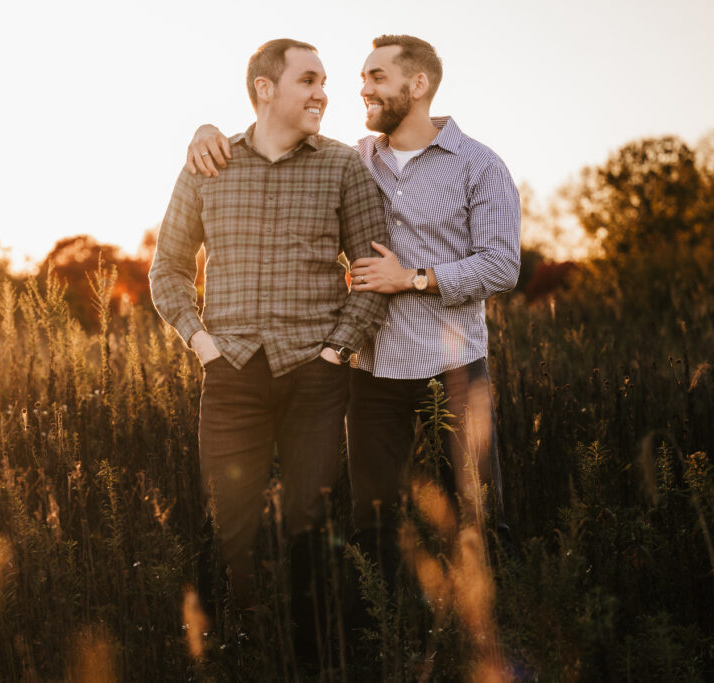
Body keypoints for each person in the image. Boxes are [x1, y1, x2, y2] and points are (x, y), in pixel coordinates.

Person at [185, 35, 521, 565]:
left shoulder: (479, 166)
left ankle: (491, 631)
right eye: (362, 78)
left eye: (377, 78)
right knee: (375, 524)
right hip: (373, 370)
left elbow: (502, 266)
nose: (361, 88)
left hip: (454, 369)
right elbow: (282, 134)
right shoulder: (358, 159)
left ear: (418, 84)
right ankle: (383, 636)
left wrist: (411, 278)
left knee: (477, 514)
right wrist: (205, 132)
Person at [148, 38, 389, 652]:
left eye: (324, 81)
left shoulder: (342, 167)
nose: (322, 93)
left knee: (311, 520)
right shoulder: (208, 164)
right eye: (308, 80)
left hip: (316, 374)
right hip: (231, 373)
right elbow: (168, 267)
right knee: (229, 522)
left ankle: (310, 655)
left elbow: (374, 269)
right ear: (264, 88)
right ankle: (233, 647)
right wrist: (201, 343)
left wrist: (338, 350)